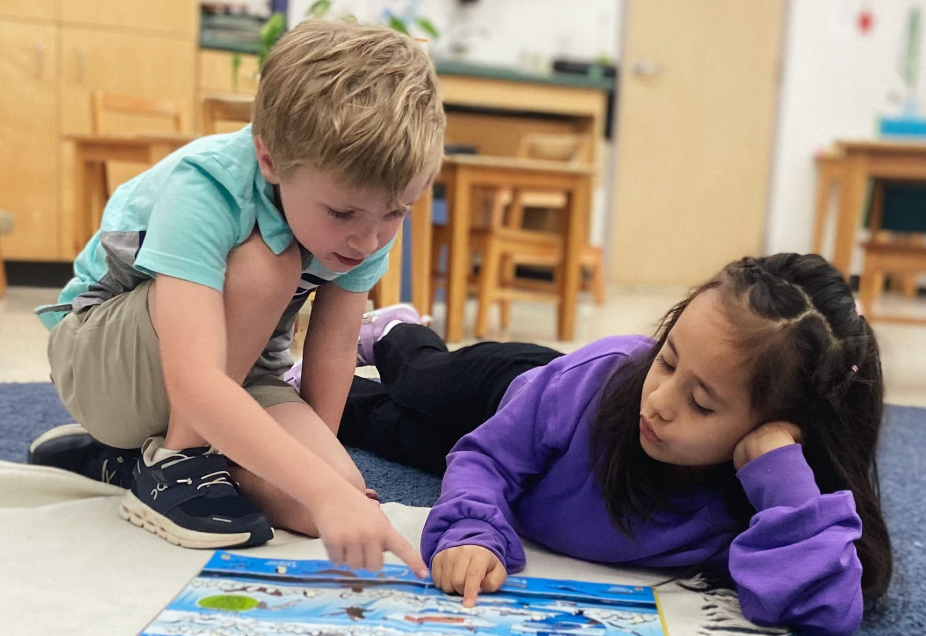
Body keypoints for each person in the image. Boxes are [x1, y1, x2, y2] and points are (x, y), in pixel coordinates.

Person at [28, 19, 444, 575]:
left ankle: (125, 463)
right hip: (101, 362)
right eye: (342, 213)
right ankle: (175, 461)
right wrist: (319, 486)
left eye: (397, 212)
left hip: (234, 372)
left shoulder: (364, 209)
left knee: (332, 494)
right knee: (266, 267)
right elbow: (194, 381)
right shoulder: (209, 184)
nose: (369, 239)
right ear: (270, 160)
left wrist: (326, 483)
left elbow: (335, 349)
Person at [338, 254, 891, 636]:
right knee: (421, 380)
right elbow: (484, 458)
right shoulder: (602, 381)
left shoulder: (762, 493)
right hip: (522, 391)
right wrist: (469, 531)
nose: (661, 401)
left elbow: (828, 611)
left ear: (782, 428)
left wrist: (782, 479)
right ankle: (394, 331)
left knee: (374, 427)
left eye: (701, 403)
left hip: (541, 471)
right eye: (668, 359)